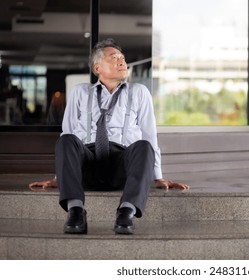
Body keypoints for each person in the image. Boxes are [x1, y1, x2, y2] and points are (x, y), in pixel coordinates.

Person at [28, 38, 189, 235]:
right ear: (98, 68)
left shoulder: (139, 92)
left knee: (144, 145)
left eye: (122, 58)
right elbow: (68, 132)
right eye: (114, 58)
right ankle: (76, 212)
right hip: (87, 162)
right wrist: (58, 177)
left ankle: (126, 212)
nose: (122, 62)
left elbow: (149, 133)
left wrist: (157, 176)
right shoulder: (80, 92)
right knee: (66, 139)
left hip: (122, 164)